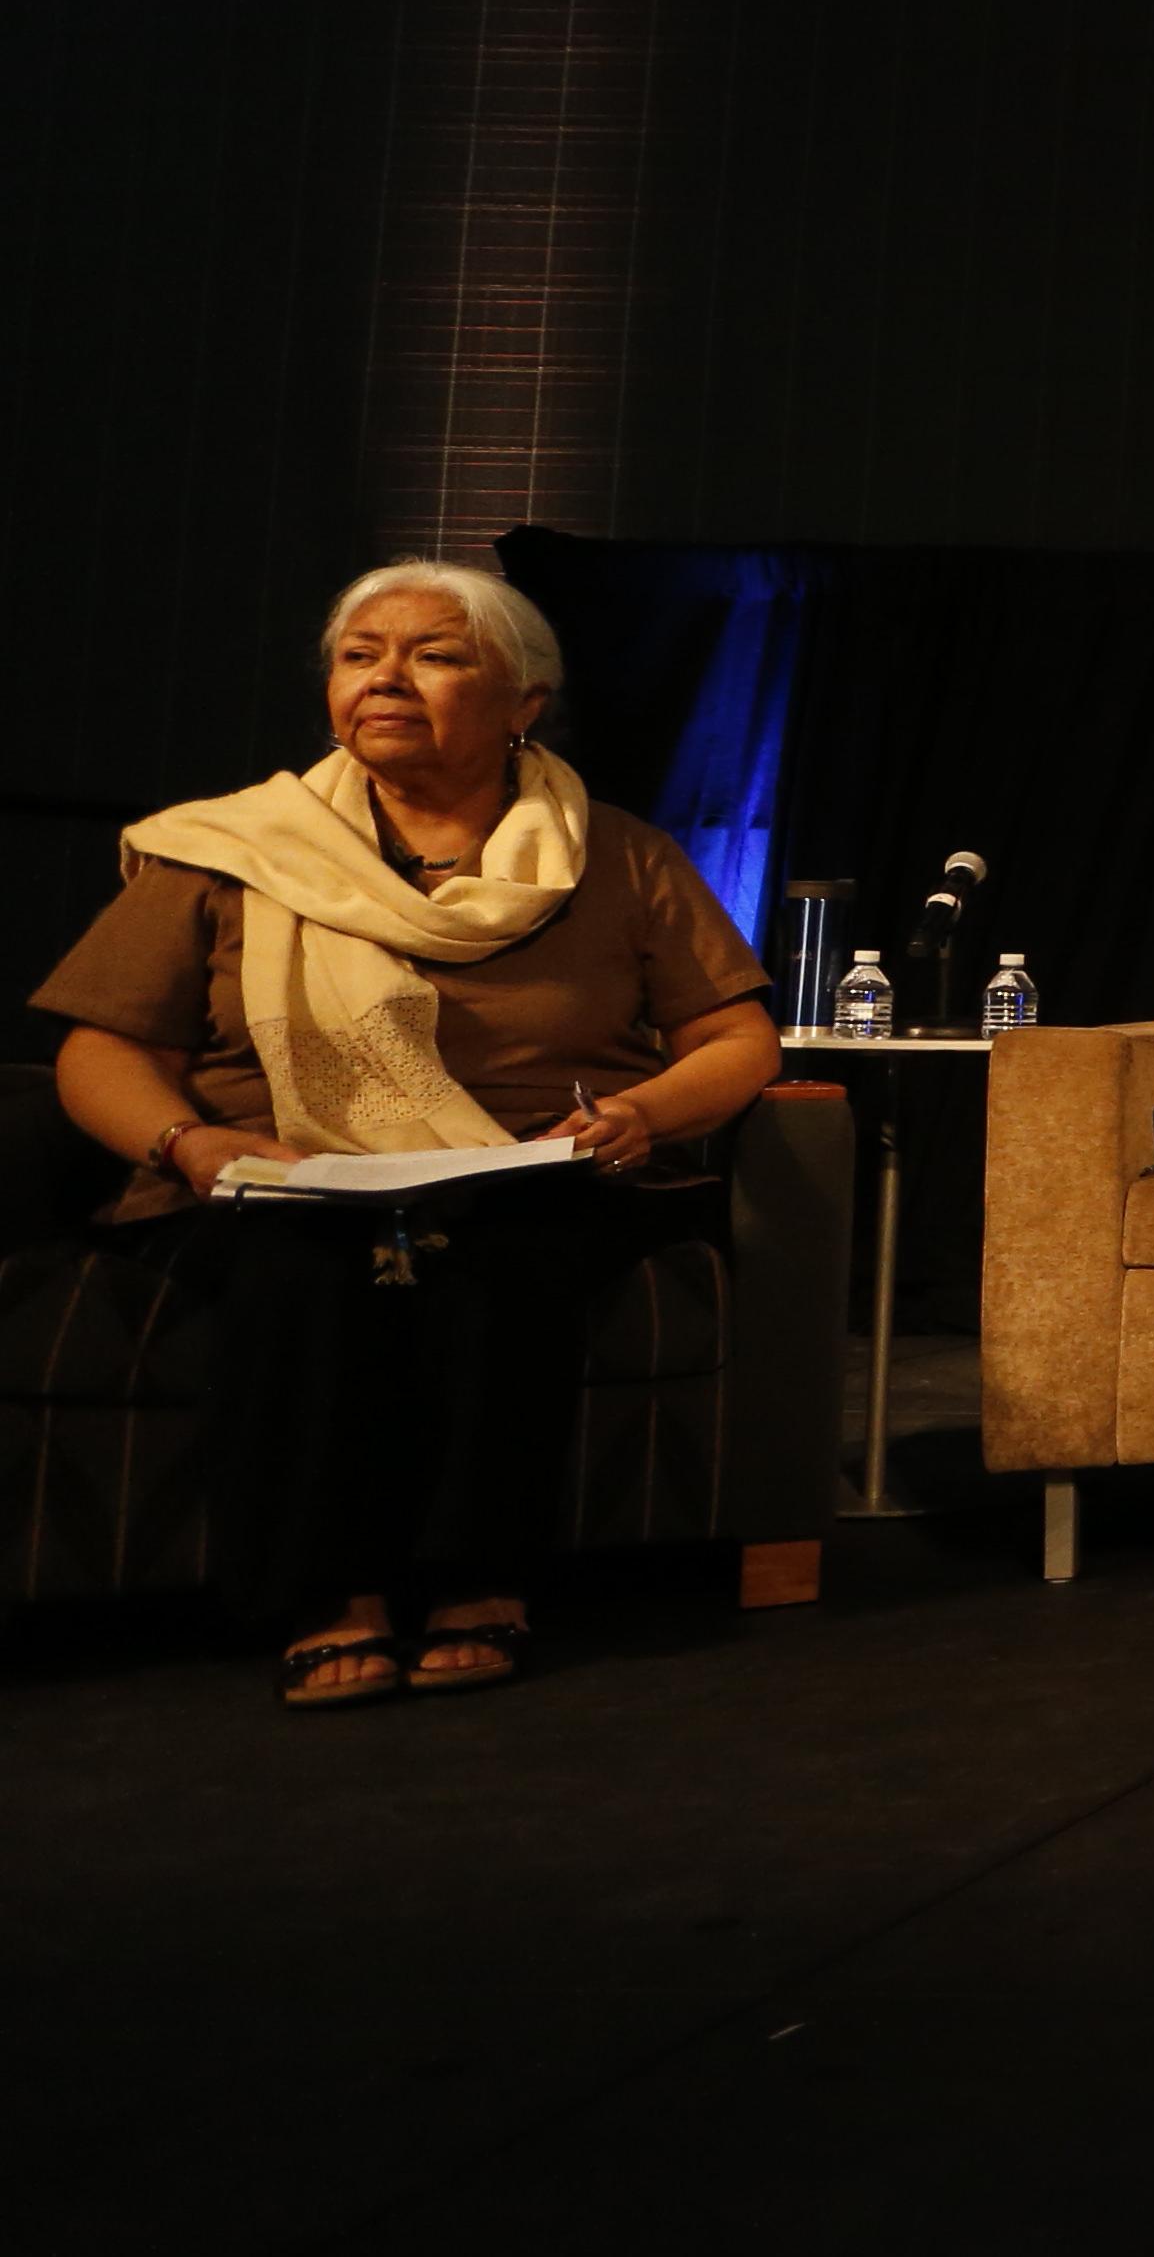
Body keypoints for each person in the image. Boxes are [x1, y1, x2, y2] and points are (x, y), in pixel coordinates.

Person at [29, 561, 784, 1706]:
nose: (386, 677)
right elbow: (99, 1052)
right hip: (267, 1183)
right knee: (308, 1268)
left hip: (537, 1176)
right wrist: (190, 1145)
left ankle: (480, 1581)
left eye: (435, 654)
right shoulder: (229, 848)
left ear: (526, 702)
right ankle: (331, 1599)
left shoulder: (616, 854)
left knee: (489, 1254)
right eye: (358, 654)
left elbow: (736, 1039)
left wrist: (640, 1114)